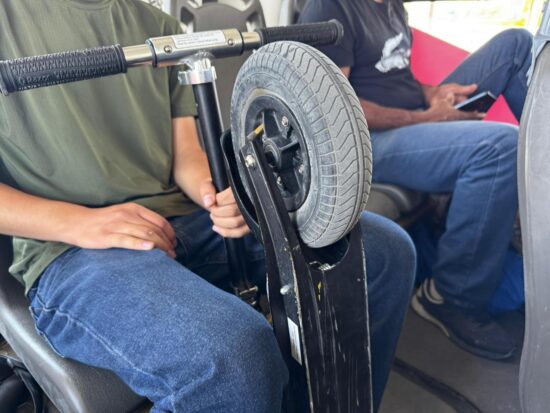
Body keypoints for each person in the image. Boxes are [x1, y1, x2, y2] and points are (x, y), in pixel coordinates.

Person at [0, 0, 415, 411]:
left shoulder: (159, 25)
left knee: (384, 252)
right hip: (72, 248)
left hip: (185, 219)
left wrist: (217, 195)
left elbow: (184, 153)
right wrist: (81, 223)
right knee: (236, 360)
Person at [299, 0, 532, 360]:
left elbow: (395, 77)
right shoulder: (331, 6)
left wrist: (433, 94)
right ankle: (452, 297)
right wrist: (427, 119)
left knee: (516, 44)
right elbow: (334, 108)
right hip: (362, 142)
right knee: (501, 146)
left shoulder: (392, 6)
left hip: (411, 116)